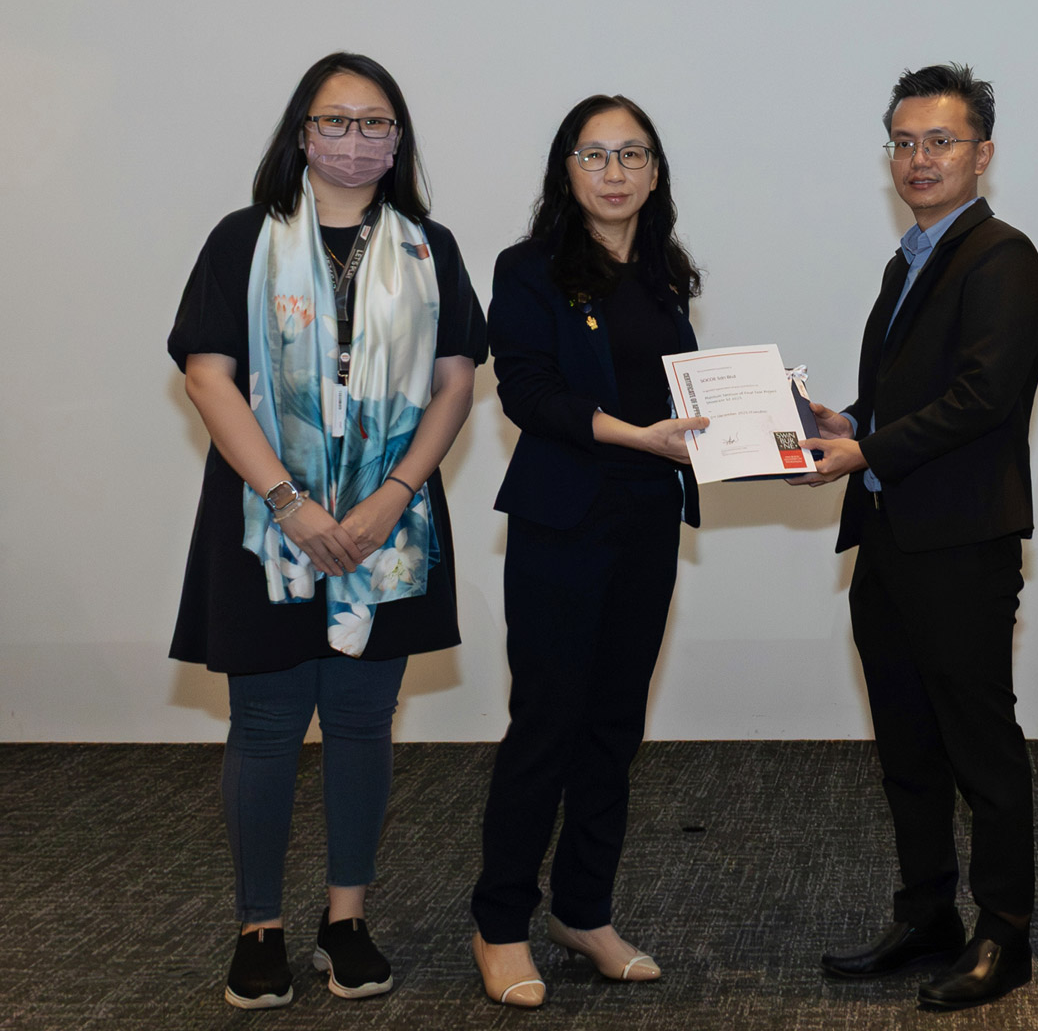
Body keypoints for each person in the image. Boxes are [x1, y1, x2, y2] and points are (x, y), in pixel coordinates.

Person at [169, 52, 487, 1009]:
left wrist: (391, 495)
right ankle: (257, 929)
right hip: (265, 524)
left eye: (376, 122)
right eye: (336, 121)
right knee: (264, 728)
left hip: (391, 524)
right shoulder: (242, 241)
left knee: (359, 724)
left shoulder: (431, 248)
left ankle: (345, 918)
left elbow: (457, 379)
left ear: (399, 142)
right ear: (301, 135)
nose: (356, 139)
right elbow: (207, 374)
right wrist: (289, 503)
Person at [790, 64, 1038, 1012]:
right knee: (906, 746)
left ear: (983, 154)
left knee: (980, 748)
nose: (918, 158)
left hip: (962, 545)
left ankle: (1006, 932)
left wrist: (864, 449)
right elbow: (914, 397)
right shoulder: (910, 259)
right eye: (903, 142)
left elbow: (984, 401)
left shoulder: (1004, 258)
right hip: (892, 538)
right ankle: (926, 915)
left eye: (939, 141)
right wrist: (843, 420)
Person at [469, 94, 707, 1008]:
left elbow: (681, 400)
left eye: (632, 155)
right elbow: (527, 393)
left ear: (655, 173)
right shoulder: (528, 270)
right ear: (565, 171)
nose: (614, 173)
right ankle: (499, 923)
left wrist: (768, 429)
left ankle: (583, 909)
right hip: (561, 524)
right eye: (594, 155)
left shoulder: (662, 272)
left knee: (615, 726)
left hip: (646, 520)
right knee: (548, 725)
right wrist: (633, 435)